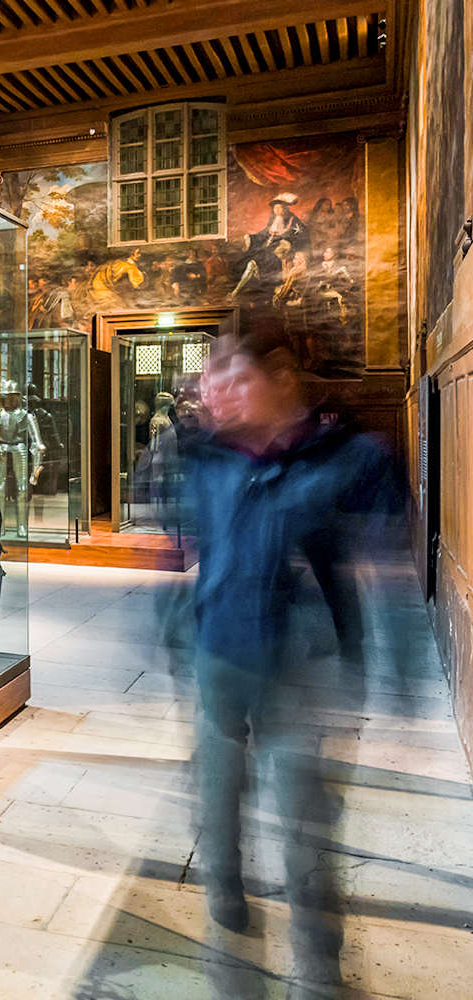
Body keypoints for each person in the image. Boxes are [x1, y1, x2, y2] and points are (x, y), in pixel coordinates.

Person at [185, 332, 396, 996]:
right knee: (217, 789)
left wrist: (387, 663)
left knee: (305, 816)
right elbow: (195, 550)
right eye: (209, 377)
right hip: (220, 648)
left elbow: (376, 557)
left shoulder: (340, 456)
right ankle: (224, 884)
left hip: (300, 659)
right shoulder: (205, 459)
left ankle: (321, 961)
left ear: (280, 378)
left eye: (232, 375)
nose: (214, 389)